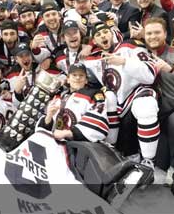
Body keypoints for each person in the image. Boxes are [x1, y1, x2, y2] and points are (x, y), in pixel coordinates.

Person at [85, 21, 159, 173]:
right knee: (107, 98)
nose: (102, 36)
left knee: (145, 107)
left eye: (105, 32)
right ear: (95, 41)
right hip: (120, 103)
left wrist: (125, 62)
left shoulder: (129, 46)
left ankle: (149, 161)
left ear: (112, 33)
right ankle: (113, 150)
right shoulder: (98, 59)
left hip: (139, 92)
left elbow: (150, 75)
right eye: (98, 35)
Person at [39, 63, 109, 142]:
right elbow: (43, 129)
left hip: (79, 146)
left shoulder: (94, 94)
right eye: (74, 75)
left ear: (86, 80)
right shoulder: (59, 96)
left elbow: (98, 120)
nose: (78, 78)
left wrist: (69, 133)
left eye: (81, 75)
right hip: (54, 143)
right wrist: (49, 117)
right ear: (68, 79)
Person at [143, 17, 174, 186]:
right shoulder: (140, 54)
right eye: (149, 33)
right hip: (156, 110)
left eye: (157, 32)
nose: (153, 36)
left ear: (165, 34)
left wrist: (170, 69)